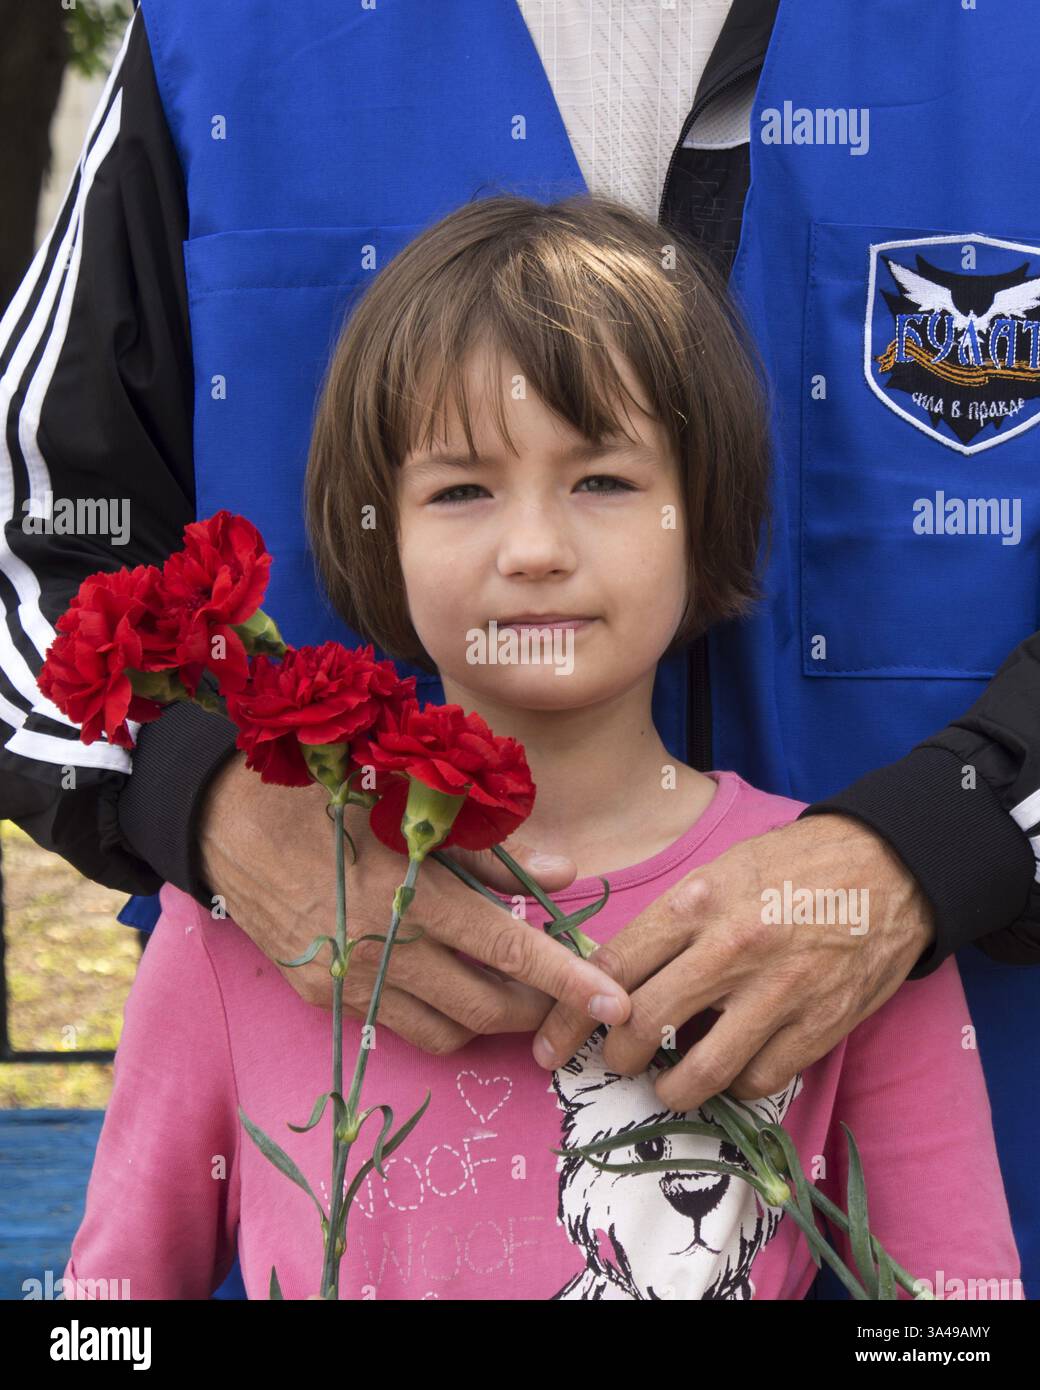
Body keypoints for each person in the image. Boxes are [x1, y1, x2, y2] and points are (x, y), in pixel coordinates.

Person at [3, 0, 1039, 1297]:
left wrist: (961, 834)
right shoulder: (228, 31)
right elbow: (36, 537)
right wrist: (212, 809)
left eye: (604, 480)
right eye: (459, 487)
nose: (535, 547)